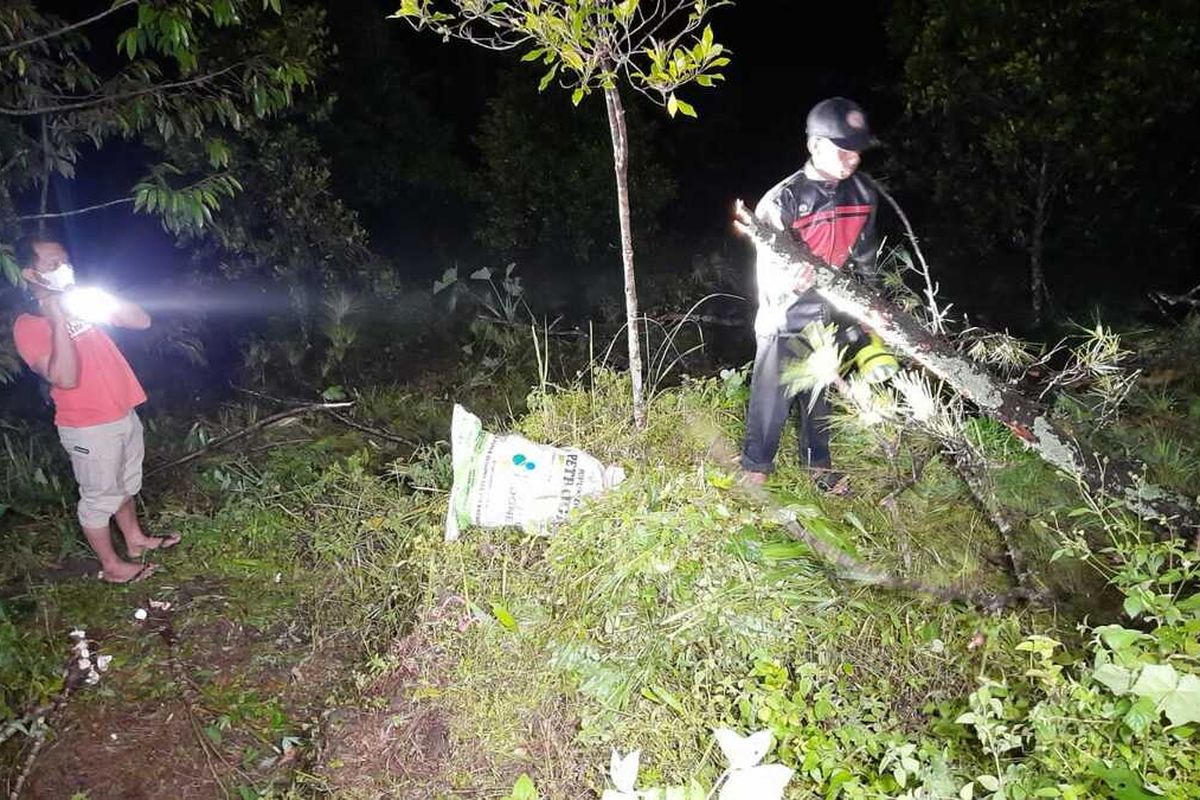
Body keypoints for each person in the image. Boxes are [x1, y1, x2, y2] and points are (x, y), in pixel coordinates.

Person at [11, 234, 178, 583]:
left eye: (66, 261)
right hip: (88, 424)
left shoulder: (82, 303)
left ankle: (135, 541)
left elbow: (140, 320)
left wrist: (89, 296)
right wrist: (58, 320)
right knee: (99, 498)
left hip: (121, 409)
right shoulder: (28, 326)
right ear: (30, 274)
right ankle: (112, 566)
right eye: (53, 264)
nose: (65, 268)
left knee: (125, 484)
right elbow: (65, 378)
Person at [740, 97, 881, 494]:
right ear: (815, 145)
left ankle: (818, 466)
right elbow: (769, 263)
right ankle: (755, 468)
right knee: (772, 394)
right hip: (784, 314)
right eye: (841, 149)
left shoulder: (861, 194)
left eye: (856, 150)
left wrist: (871, 303)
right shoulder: (783, 199)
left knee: (820, 394)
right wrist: (792, 280)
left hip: (832, 311)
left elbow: (866, 255)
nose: (851, 159)